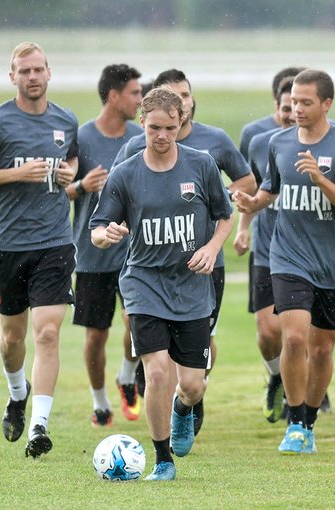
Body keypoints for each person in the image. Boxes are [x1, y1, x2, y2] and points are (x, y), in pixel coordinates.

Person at [90, 87, 234, 481]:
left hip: (190, 287)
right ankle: (163, 460)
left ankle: (183, 409)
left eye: (171, 128)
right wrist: (107, 235)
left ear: (181, 123)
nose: (162, 136)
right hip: (143, 283)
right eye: (154, 127)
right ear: (142, 123)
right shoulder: (126, 173)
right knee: (155, 373)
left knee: (191, 384)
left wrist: (212, 247)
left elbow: (225, 215)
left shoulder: (201, 165)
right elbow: (96, 229)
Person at [115, 68, 255, 435]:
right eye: (154, 126)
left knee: (197, 357)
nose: (162, 134)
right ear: (146, 115)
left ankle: (190, 397)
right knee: (157, 364)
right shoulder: (133, 152)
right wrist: (115, 228)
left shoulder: (212, 146)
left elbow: (242, 187)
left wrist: (211, 235)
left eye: (186, 95)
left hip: (204, 267)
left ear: (187, 106)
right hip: (147, 271)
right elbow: (118, 201)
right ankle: (161, 437)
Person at [234, 69, 335, 454]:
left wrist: (322, 180)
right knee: (293, 337)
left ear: (326, 104)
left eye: (306, 102)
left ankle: (309, 420)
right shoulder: (278, 143)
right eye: (294, 102)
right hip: (287, 256)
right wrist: (251, 204)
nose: (297, 109)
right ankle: (294, 421)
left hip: (333, 263)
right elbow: (269, 191)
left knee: (322, 349)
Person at [0, 42, 78, 458]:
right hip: (8, 246)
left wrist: (69, 174)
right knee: (13, 339)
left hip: (55, 243)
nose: (32, 77)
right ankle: (17, 394)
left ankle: (39, 428)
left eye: (38, 70)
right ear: (12, 77)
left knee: (47, 332)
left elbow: (73, 162)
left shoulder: (66, 120)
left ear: (50, 72)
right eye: (23, 71)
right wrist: (16, 173)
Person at [66, 64, 143, 427]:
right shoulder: (80, 139)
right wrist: (82, 187)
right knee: (96, 335)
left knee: (136, 323)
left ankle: (127, 376)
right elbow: (57, 191)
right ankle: (100, 403)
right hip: (92, 254)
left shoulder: (142, 136)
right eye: (134, 93)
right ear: (114, 96)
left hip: (133, 254)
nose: (140, 100)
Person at [233, 77, 295, 423]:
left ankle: (298, 402)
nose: (291, 115)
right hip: (267, 247)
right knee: (269, 332)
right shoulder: (258, 142)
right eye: (286, 108)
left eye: (297, 108)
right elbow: (251, 191)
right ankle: (276, 375)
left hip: (306, 251)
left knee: (300, 333)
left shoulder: (321, 144)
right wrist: (243, 229)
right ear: (276, 107)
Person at [238, 66, 304, 159]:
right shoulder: (254, 134)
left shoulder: (327, 131)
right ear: (277, 101)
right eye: (287, 109)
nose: (294, 116)